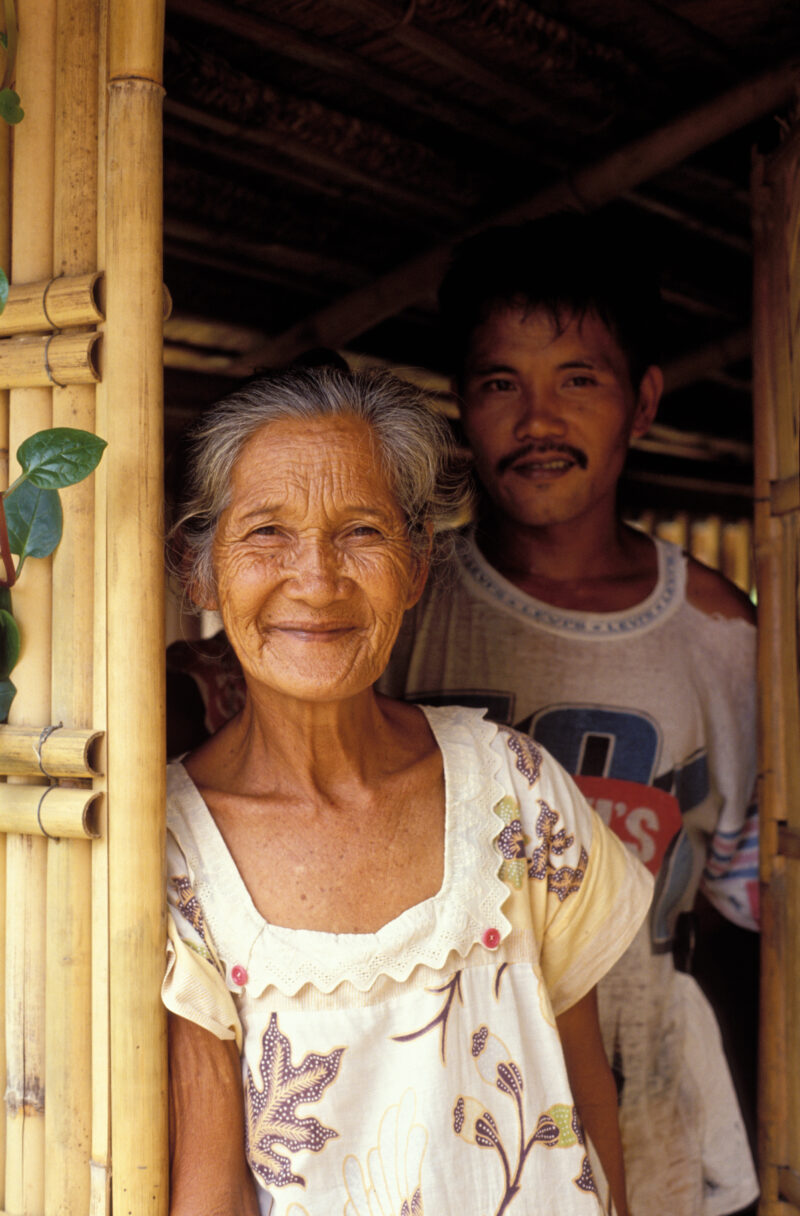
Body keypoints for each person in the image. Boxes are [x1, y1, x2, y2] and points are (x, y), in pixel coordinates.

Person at [162, 366, 653, 1216]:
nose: (316, 578)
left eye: (360, 530)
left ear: (417, 564)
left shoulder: (516, 789)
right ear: (199, 571)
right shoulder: (170, 853)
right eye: (267, 533)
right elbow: (211, 1193)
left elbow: (585, 1098)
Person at [379, 214, 760, 1216]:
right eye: (500, 381)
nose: (535, 419)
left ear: (640, 402)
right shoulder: (400, 608)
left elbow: (742, 892)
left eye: (576, 379)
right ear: (460, 404)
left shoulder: (715, 632)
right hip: (430, 1104)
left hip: (643, 1100)